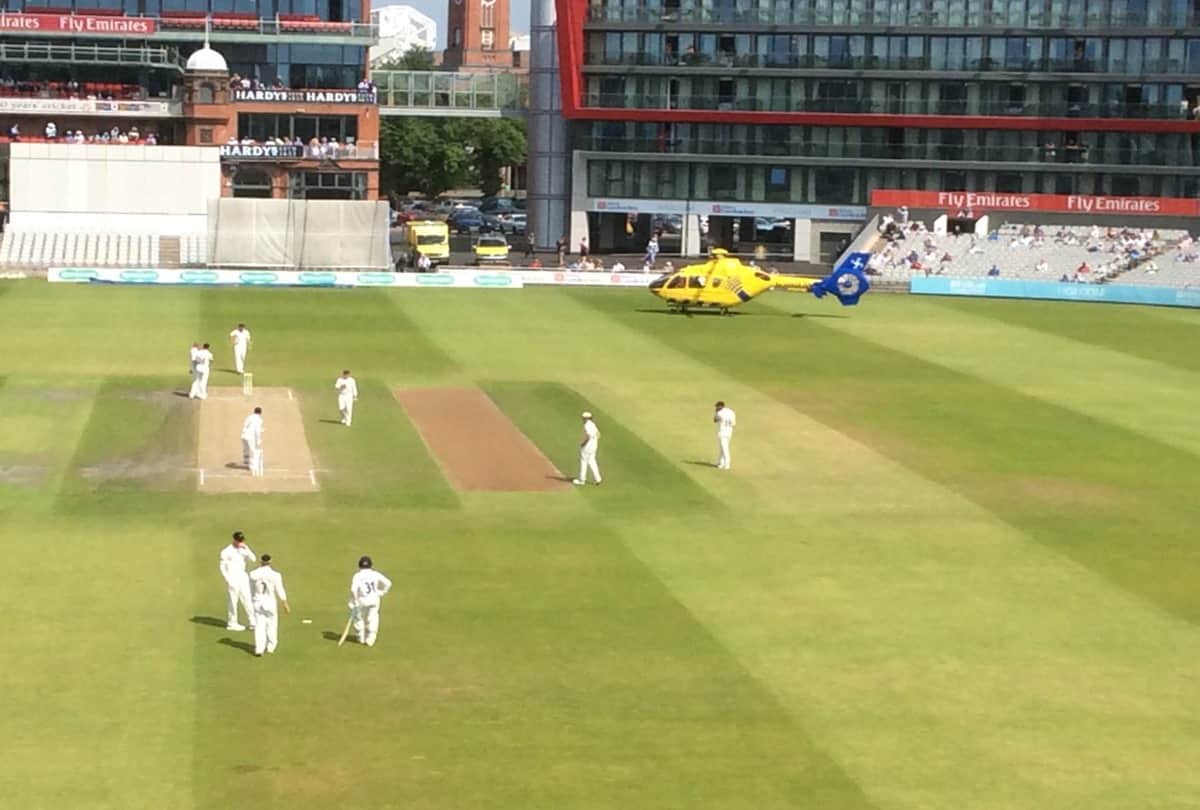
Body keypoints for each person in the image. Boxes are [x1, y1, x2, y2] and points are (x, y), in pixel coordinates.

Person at [248, 554, 289, 656]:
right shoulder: (275, 575)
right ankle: (271, 646)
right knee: (271, 625)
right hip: (270, 602)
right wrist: (284, 603)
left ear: (260, 562)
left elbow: (251, 589)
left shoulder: (253, 574)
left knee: (259, 626)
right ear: (270, 562)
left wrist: (253, 599)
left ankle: (259, 649)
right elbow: (280, 589)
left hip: (258, 602)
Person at [349, 556, 392, 647]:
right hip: (374, 599)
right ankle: (370, 639)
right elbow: (388, 583)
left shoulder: (357, 576)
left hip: (362, 600)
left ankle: (360, 637)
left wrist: (355, 601)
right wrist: (381, 592)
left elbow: (353, 590)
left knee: (358, 617)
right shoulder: (375, 574)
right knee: (372, 618)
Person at [219, 530, 257, 631]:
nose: (240, 542)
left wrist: (247, 548)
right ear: (234, 540)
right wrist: (228, 580)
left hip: (242, 576)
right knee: (233, 600)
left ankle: (253, 621)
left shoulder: (243, 549)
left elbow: (253, 559)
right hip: (232, 577)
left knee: (247, 599)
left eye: (241, 540)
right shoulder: (226, 551)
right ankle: (232, 623)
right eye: (238, 541)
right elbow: (222, 567)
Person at [573, 411, 602, 486]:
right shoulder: (593, 424)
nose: (582, 420)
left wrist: (583, 443)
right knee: (592, 461)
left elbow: (588, 436)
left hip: (587, 447)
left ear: (586, 418)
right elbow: (599, 435)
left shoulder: (587, 425)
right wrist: (594, 440)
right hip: (594, 446)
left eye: (583, 418)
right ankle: (598, 479)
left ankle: (582, 480)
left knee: (584, 461)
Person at [713, 400, 737, 470]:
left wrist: (716, 412)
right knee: (722, 448)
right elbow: (733, 424)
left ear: (720, 406)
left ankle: (727, 464)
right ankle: (720, 463)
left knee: (724, 448)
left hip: (722, 433)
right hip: (729, 432)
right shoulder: (731, 411)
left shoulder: (719, 413)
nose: (716, 408)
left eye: (717, 407)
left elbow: (715, 420)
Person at [242, 406, 264, 476]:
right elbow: (257, 431)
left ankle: (246, 462)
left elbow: (245, 425)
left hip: (243, 435)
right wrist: (258, 439)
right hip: (251, 436)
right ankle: (252, 467)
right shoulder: (259, 420)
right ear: (260, 413)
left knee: (246, 450)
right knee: (253, 451)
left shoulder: (249, 417)